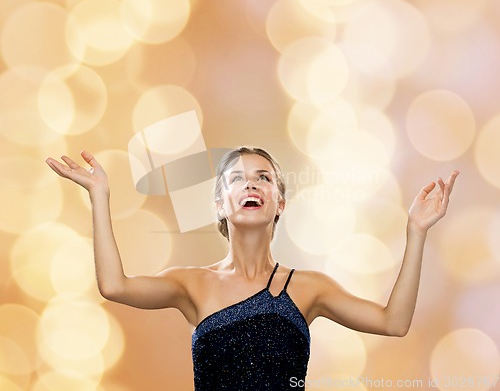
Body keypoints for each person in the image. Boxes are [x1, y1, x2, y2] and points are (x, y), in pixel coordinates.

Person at [45, 146, 459, 390]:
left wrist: (416, 231)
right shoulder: (192, 282)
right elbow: (114, 286)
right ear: (220, 205)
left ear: (280, 203)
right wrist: (99, 196)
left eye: (263, 178)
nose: (250, 184)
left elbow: (394, 322)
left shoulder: (309, 288)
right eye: (236, 179)